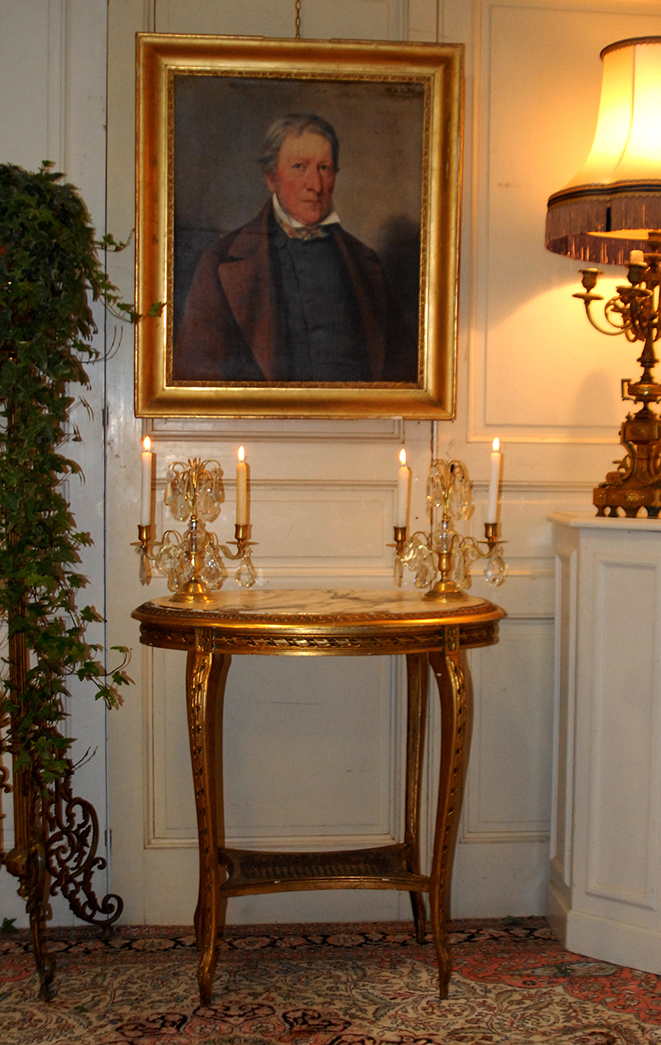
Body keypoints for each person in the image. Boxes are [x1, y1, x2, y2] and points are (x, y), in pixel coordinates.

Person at [173, 113, 417, 383]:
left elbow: (403, 373)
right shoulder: (222, 262)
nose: (315, 185)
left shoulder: (365, 263)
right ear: (271, 178)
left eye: (324, 168)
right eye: (299, 166)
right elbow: (197, 376)